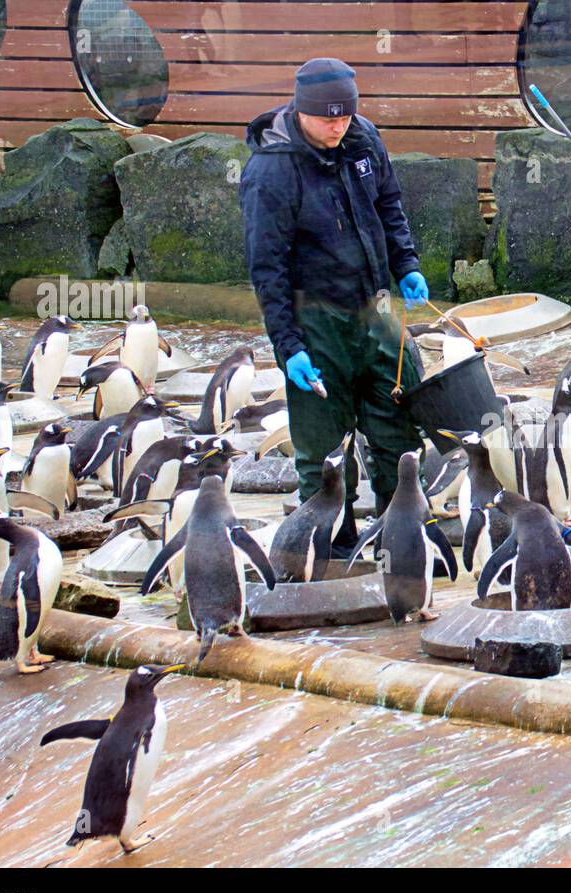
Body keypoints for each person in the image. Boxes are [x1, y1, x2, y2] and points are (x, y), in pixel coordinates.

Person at [240, 57, 428, 552]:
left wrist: (406, 263)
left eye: (345, 116)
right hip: (315, 319)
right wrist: (288, 345)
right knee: (324, 451)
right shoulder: (271, 171)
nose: (338, 126)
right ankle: (330, 552)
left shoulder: (362, 138)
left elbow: (389, 204)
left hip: (376, 304)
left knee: (399, 428)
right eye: (328, 118)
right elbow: (267, 267)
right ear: (302, 111)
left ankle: (400, 541)